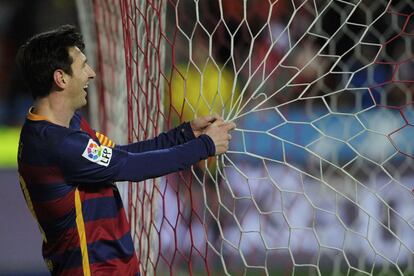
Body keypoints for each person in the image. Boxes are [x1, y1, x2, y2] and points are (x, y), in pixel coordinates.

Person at [16, 25, 235, 276]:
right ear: (61, 78)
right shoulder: (60, 145)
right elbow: (129, 166)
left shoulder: (63, 129)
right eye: (82, 66)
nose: (92, 73)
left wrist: (184, 135)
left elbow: (121, 156)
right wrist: (205, 146)